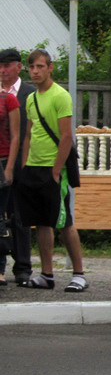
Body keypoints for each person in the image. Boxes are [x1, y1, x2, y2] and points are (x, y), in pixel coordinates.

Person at [15, 48, 86, 292]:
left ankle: (79, 274)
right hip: (33, 167)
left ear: (50, 68)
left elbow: (66, 136)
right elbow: (28, 134)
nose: (35, 72)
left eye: (40, 67)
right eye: (31, 67)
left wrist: (56, 170)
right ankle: (47, 274)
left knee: (64, 221)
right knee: (41, 222)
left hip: (54, 168)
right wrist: (24, 165)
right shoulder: (31, 98)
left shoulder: (60, 95)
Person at [0, 47, 34, 286]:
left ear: (18, 67)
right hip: (2, 161)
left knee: (21, 217)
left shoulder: (29, 93)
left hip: (24, 162)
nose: (3, 71)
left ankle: (22, 268)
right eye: (0, 67)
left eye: (7, 66)